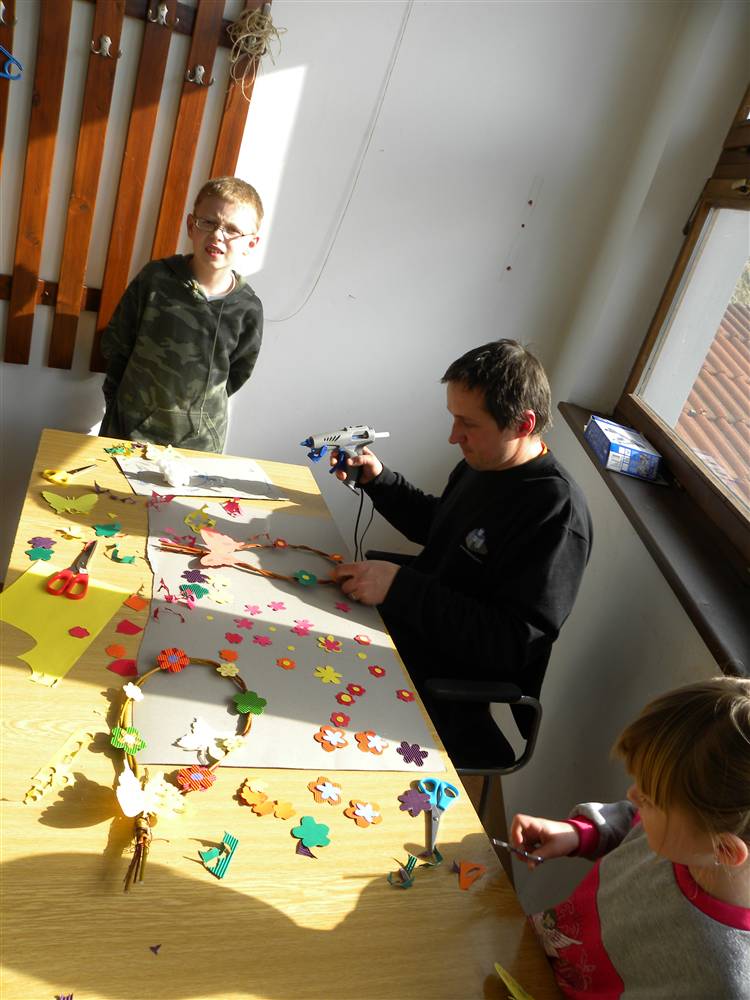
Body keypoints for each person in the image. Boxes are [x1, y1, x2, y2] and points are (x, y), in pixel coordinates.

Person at [332, 339, 592, 765]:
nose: (454, 437)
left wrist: (400, 587)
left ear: (523, 424)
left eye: (468, 423)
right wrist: (380, 480)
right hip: (409, 634)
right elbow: (444, 529)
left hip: (446, 680)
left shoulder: (555, 514)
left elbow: (511, 644)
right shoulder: (483, 463)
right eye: (454, 418)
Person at [511, 676, 750, 998]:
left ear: (724, 849)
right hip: (528, 954)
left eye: (649, 799)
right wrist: (579, 833)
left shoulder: (722, 982)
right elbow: (633, 822)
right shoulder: (692, 840)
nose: (632, 795)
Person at [99, 176, 264, 452]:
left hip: (200, 446)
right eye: (208, 222)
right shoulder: (154, 280)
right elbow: (117, 346)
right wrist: (118, 407)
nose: (218, 235)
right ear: (191, 225)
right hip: (128, 432)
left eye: (232, 230)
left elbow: (237, 373)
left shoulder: (248, 308)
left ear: (251, 243)